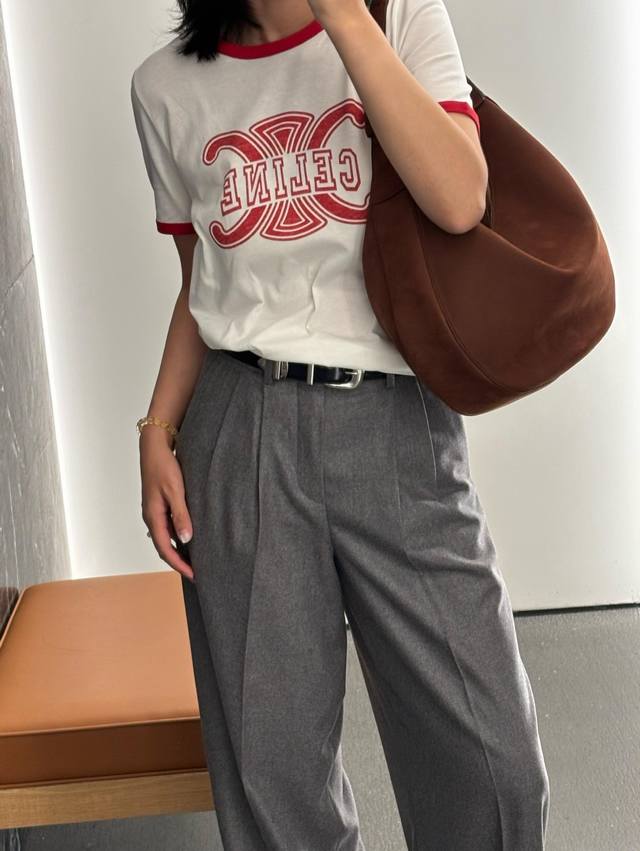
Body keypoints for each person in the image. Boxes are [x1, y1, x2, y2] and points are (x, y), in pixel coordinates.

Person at [131, 0, 551, 848]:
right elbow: (201, 279)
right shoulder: (164, 86)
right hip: (239, 429)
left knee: (492, 761)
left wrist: (347, 21)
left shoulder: (401, 19)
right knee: (275, 771)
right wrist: (157, 425)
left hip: (394, 423)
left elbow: (460, 198)